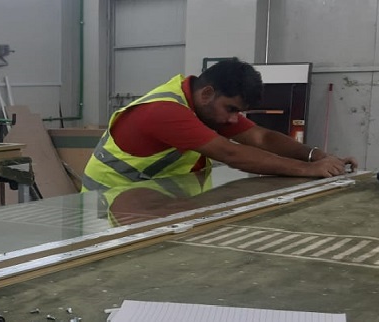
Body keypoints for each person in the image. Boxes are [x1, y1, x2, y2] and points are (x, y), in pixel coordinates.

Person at [82, 57, 358, 223]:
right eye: (231, 109)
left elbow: (260, 136)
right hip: (109, 205)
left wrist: (318, 156)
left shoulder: (204, 107)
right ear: (207, 94)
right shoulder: (164, 111)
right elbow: (231, 154)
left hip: (155, 198)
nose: (233, 120)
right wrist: (308, 170)